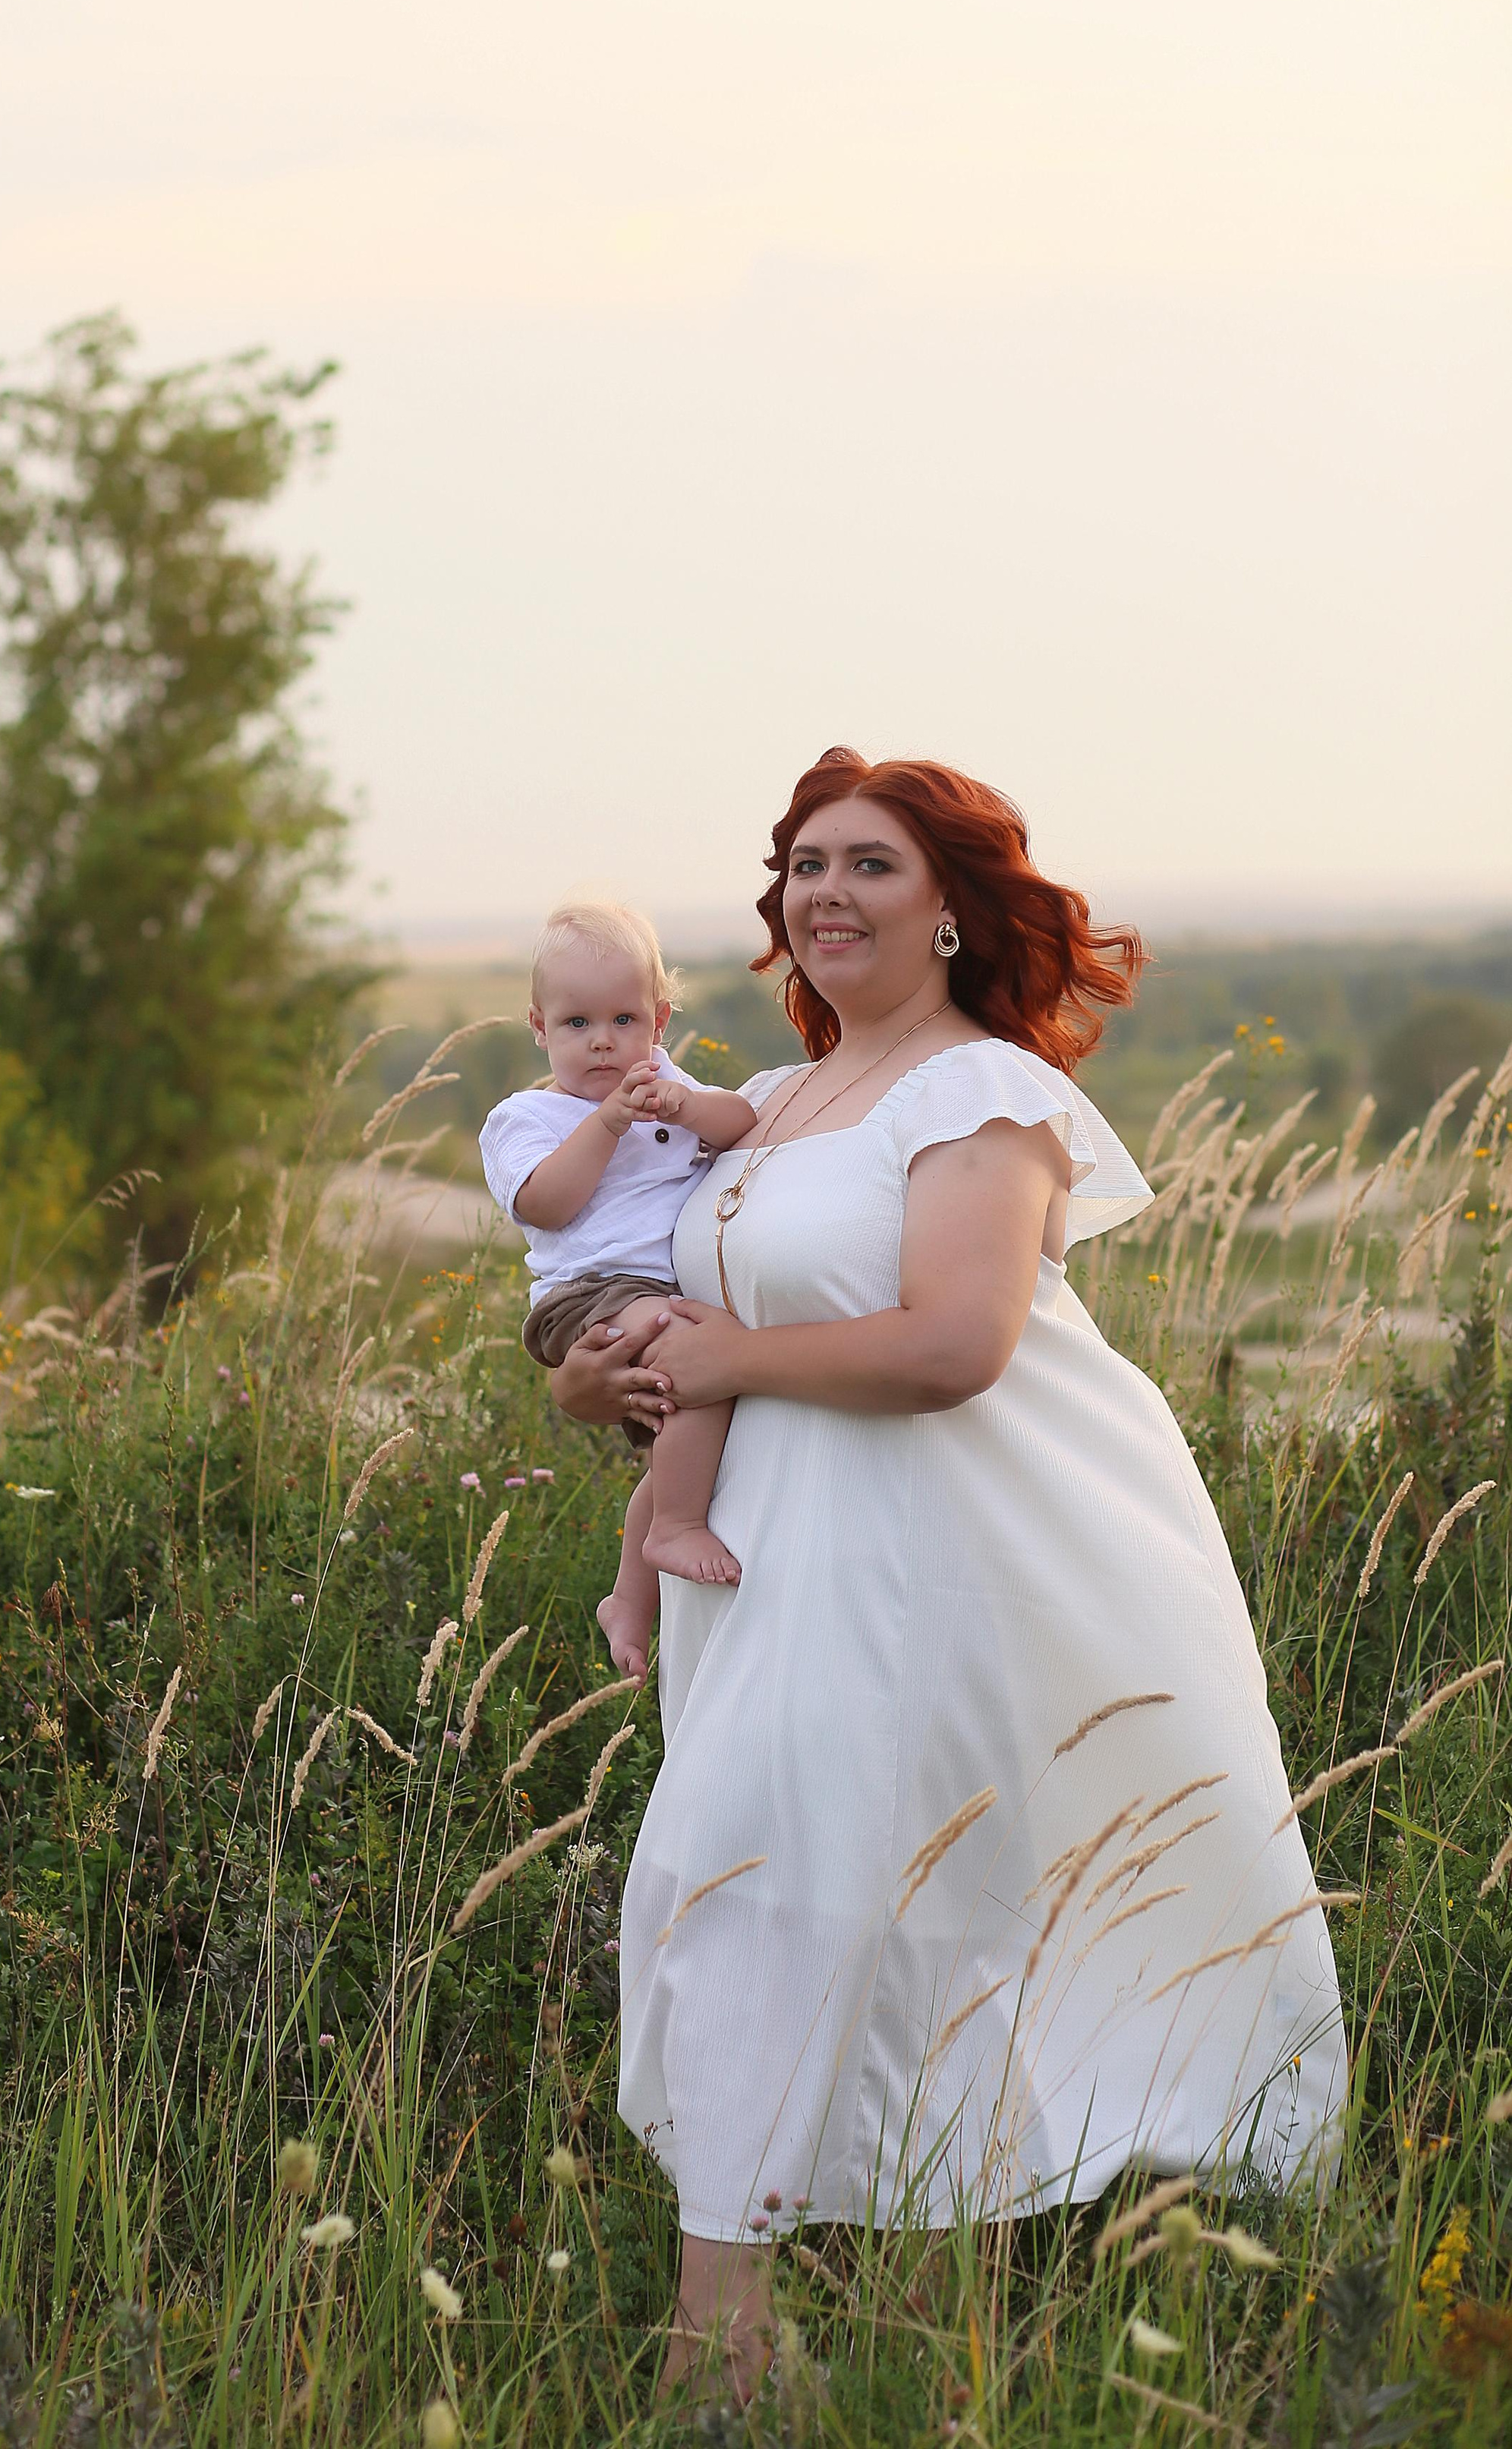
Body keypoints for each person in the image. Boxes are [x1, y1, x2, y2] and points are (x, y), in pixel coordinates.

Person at [551, 751, 1348, 2399]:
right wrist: (600, 1380)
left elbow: (951, 1345)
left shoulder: (985, 1097)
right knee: (780, 1893)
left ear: (950, 912)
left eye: (869, 866)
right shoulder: (772, 1103)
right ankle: (856, 2343)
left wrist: (721, 1362)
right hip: (771, 1564)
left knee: (837, 1898)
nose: (822, 895)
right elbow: (662, 1328)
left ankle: (758, 2345)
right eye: (800, 867)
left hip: (935, 1565)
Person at [479, 900, 759, 1678]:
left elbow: (741, 1122)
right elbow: (544, 1205)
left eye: (624, 1019)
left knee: (679, 1436)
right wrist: (603, 1125)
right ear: (538, 1026)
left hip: (655, 1292)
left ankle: (628, 1600)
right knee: (698, 1360)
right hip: (586, 1294)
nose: (602, 1041)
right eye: (576, 1024)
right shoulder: (527, 1117)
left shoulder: (662, 1085)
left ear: (659, 1021)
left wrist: (688, 1105)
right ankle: (674, 1527)